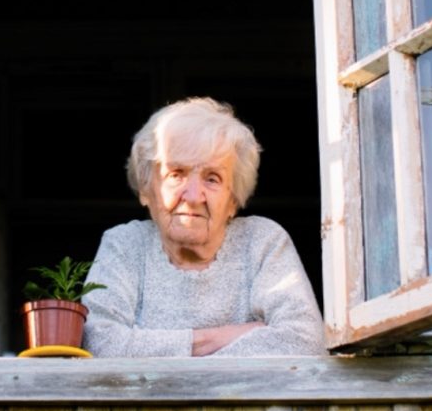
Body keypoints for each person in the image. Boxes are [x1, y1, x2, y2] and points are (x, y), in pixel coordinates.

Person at [82, 97, 325, 357]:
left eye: (212, 178)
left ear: (233, 200)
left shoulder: (262, 241)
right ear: (145, 189)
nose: (194, 196)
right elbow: (100, 343)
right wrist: (218, 338)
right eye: (176, 174)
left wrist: (159, 356)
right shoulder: (125, 244)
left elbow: (304, 341)